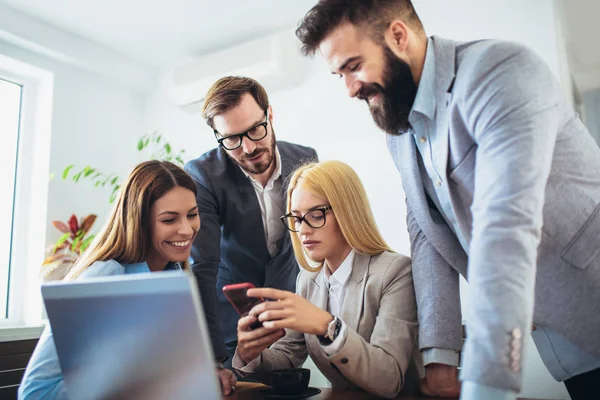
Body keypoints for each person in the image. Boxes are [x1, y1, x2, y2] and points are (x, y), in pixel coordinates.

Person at [295, 1, 600, 399]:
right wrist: (441, 358)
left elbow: (505, 229)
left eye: (354, 66)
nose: (350, 88)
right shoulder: (399, 134)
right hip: (563, 342)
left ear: (398, 36)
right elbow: (428, 238)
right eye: (340, 74)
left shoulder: (500, 74)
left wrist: (487, 385)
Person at [19, 160, 237, 399]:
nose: (186, 230)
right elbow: (34, 393)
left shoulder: (176, 274)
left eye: (192, 215)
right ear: (139, 221)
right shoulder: (104, 276)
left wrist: (205, 374)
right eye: (169, 220)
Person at [232, 160, 421, 398]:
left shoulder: (396, 272)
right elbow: (287, 356)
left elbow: (389, 379)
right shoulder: (308, 281)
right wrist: (251, 355)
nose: (303, 230)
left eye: (316, 214)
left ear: (347, 211)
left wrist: (327, 326)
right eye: (297, 218)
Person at [184, 76, 318, 369]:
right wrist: (215, 359)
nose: (247, 148)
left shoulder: (307, 159)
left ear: (269, 115)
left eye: (255, 130)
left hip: (288, 321)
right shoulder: (202, 175)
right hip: (231, 326)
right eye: (232, 139)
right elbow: (202, 269)